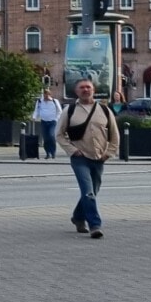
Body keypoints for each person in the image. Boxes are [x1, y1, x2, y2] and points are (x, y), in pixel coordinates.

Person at [58, 78, 118, 238]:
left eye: (88, 87)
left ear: (94, 90)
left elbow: (114, 134)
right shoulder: (69, 110)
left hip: (99, 157)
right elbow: (59, 134)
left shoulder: (104, 110)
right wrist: (72, 151)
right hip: (80, 158)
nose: (85, 90)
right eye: (82, 87)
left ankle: (78, 217)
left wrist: (109, 153)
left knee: (94, 190)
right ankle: (95, 225)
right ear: (76, 91)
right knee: (87, 191)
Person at [33, 85, 62, 161]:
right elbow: (37, 110)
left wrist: (56, 119)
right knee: (45, 138)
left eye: (47, 94)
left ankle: (53, 152)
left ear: (50, 95)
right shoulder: (39, 101)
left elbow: (59, 111)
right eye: (45, 94)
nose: (46, 96)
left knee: (51, 136)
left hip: (52, 121)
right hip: (44, 121)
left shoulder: (54, 101)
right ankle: (48, 153)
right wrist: (34, 117)